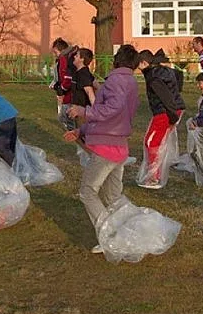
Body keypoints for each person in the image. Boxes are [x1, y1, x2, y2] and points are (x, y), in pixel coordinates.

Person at [65, 44, 140, 253]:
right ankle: (128, 230)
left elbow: (110, 109)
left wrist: (84, 112)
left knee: (88, 192)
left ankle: (109, 234)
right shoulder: (131, 81)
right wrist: (81, 132)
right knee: (112, 197)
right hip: (119, 146)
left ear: (117, 59)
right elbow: (113, 114)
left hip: (106, 147)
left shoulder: (115, 80)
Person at [138, 49, 185, 188]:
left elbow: (166, 97)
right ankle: (153, 175)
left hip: (165, 112)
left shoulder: (153, 77)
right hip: (172, 109)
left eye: (137, 64)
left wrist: (172, 117)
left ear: (144, 63)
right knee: (156, 142)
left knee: (152, 142)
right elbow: (179, 75)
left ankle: (154, 177)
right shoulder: (162, 71)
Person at [50, 37, 78, 128]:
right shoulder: (68, 57)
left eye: (55, 52)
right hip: (70, 91)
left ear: (61, 50)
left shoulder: (64, 59)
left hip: (69, 93)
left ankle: (72, 134)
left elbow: (67, 76)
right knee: (64, 115)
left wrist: (62, 88)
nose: (55, 55)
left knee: (66, 116)